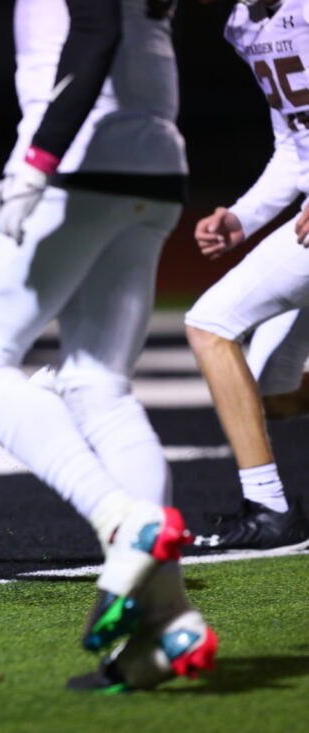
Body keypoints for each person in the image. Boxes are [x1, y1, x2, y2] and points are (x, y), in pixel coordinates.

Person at [0, 0, 217, 691]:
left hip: (78, 159)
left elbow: (97, 31)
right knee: (100, 385)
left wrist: (34, 164)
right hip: (156, 166)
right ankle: (170, 620)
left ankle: (118, 520)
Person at [184, 0, 309, 553]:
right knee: (269, 396)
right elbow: (294, 148)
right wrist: (244, 218)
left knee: (211, 323)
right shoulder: (245, 23)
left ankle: (271, 510)